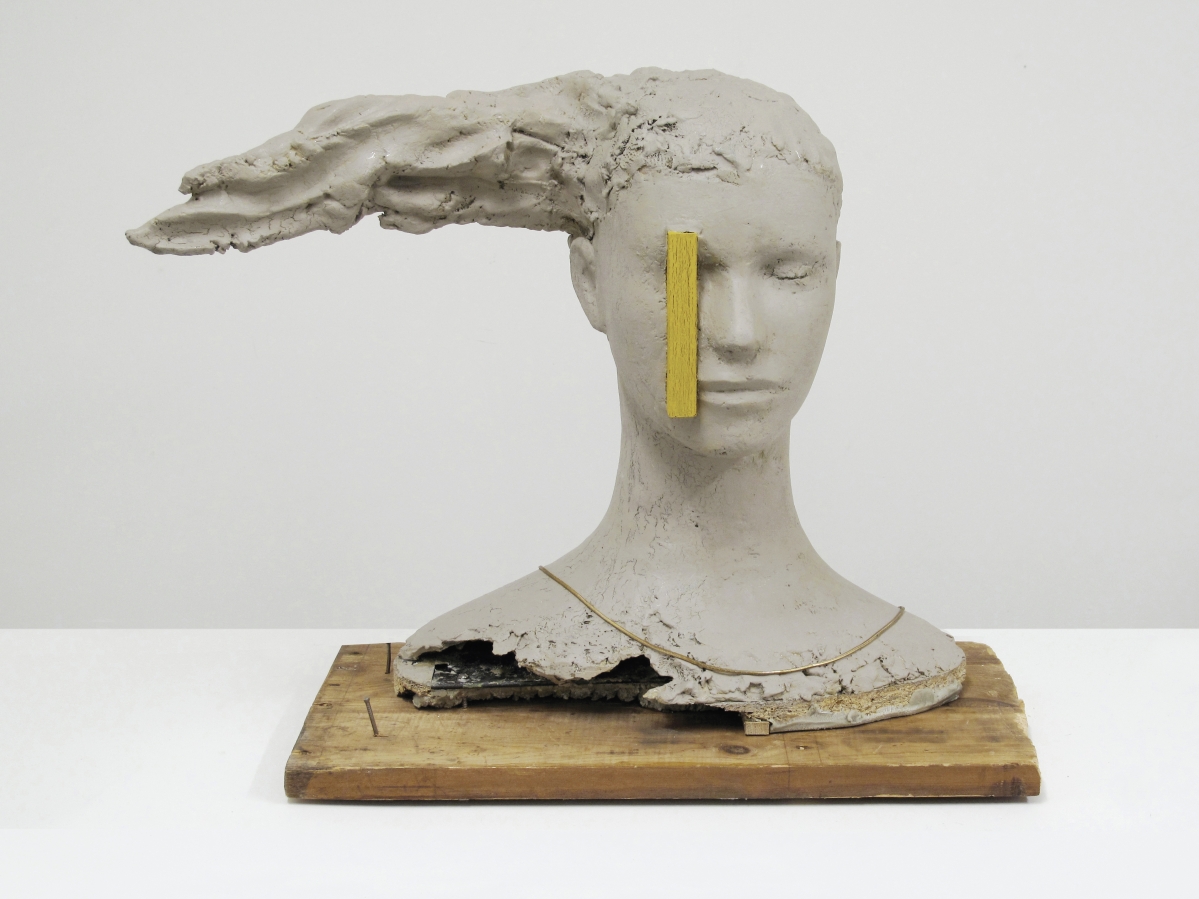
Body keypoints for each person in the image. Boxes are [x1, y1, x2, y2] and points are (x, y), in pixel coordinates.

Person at [129, 68, 965, 732]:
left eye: (788, 272)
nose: (738, 333)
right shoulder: (492, 640)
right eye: (683, 271)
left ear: (835, 276)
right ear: (589, 279)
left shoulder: (898, 647)